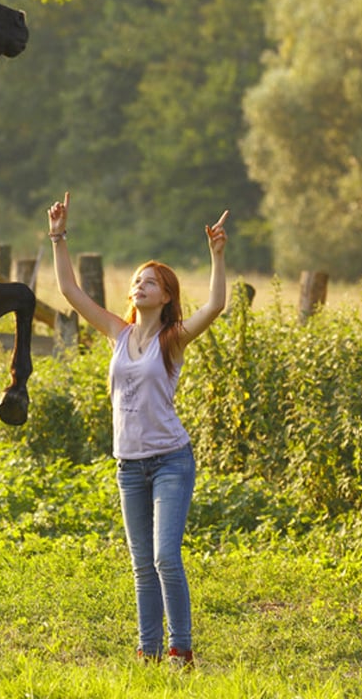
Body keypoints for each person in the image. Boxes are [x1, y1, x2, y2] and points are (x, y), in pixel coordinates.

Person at [47, 191, 228, 669]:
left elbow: (215, 304)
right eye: (136, 281)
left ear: (166, 295)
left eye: (151, 282)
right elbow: (69, 291)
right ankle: (148, 652)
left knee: (166, 557)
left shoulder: (174, 338)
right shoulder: (117, 332)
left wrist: (216, 255)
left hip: (171, 460)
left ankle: (180, 649)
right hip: (128, 464)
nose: (140, 286)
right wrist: (58, 236)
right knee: (141, 565)